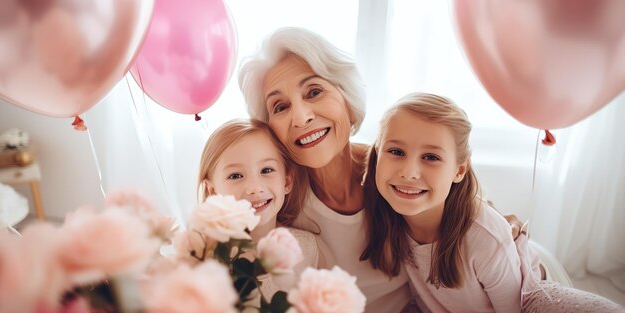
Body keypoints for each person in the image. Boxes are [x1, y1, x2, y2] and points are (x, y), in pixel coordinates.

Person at [238, 27, 525, 313]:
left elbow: (459, 203)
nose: (301, 117)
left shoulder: (394, 169)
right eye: (280, 107)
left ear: (347, 99)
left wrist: (497, 219)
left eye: (314, 91)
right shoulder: (278, 201)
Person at [360, 92, 624, 312]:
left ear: (459, 171)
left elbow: (512, 308)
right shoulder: (383, 207)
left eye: (431, 157)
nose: (409, 172)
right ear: (377, 154)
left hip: (529, 293)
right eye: (396, 152)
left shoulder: (484, 239)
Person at [197, 118, 333, 300]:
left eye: (267, 170)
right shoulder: (202, 262)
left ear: (287, 181)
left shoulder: (308, 248)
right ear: (212, 191)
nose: (255, 187)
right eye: (236, 175)